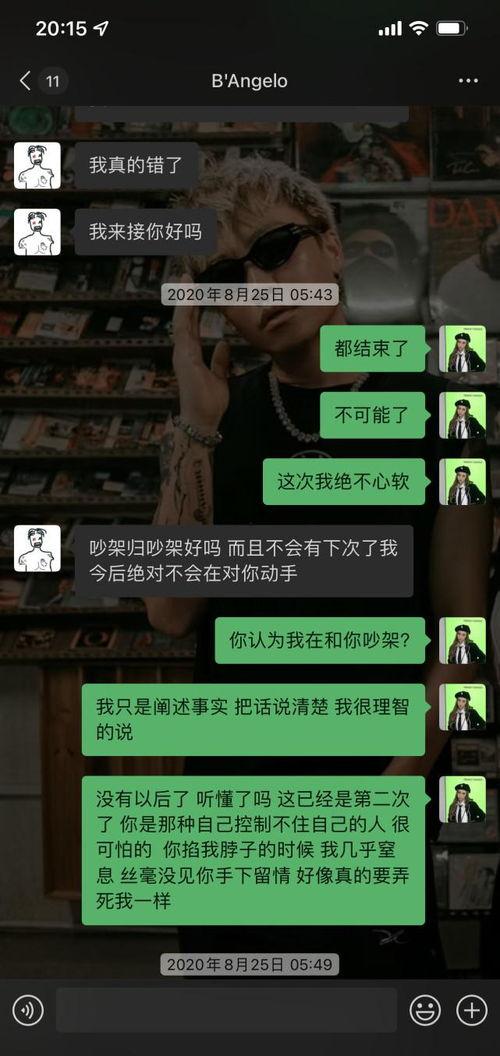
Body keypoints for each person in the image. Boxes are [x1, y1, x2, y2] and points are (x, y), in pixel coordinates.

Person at [145, 155, 491, 975]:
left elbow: (464, 636)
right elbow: (170, 612)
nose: (258, 285)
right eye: (225, 277)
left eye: (275, 250)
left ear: (331, 246)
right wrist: (195, 421)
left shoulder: (443, 413)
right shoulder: (215, 422)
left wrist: (395, 789)